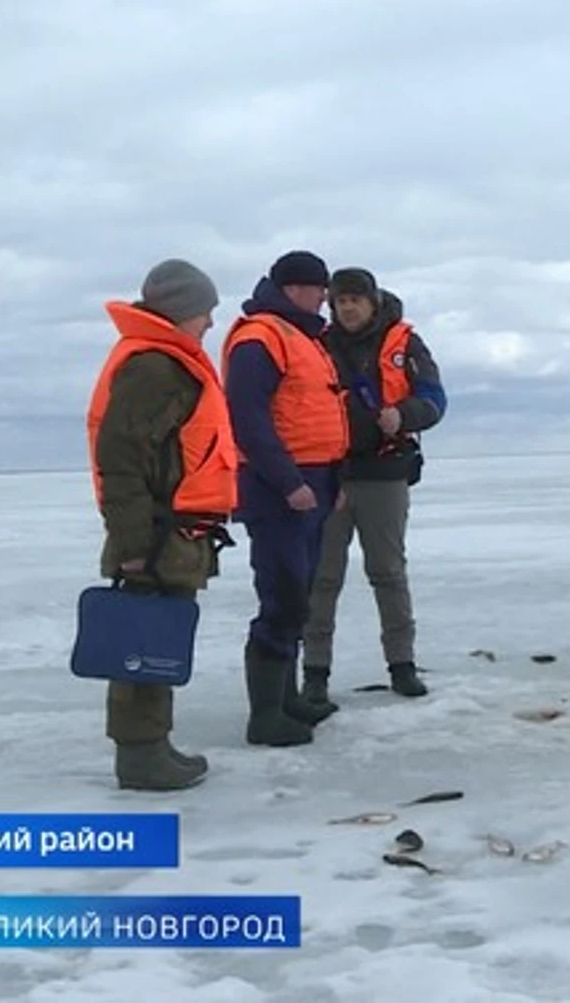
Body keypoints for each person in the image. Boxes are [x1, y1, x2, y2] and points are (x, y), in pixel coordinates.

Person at [86, 259, 238, 791]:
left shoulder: (169, 362)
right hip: (152, 533)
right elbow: (121, 460)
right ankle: (141, 756)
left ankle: (154, 746)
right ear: (180, 312)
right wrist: (132, 542)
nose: (211, 324)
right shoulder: (153, 368)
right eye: (205, 313)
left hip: (172, 532)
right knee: (140, 643)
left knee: (160, 640)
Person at [300, 267, 448, 705]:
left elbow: (435, 399)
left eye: (354, 300)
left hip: (384, 474)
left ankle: (402, 665)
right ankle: (315, 673)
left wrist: (403, 415)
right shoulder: (317, 345)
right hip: (329, 476)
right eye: (339, 301)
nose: (346, 308)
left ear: (373, 301)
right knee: (321, 578)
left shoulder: (405, 343)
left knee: (387, 573)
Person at [222, 250, 350, 748]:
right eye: (321, 290)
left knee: (302, 595)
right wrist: (289, 482)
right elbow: (248, 419)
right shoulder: (261, 339)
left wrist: (330, 484)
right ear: (298, 288)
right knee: (282, 597)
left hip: (314, 484)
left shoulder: (304, 338)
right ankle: (265, 717)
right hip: (280, 492)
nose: (326, 300)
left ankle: (289, 698)